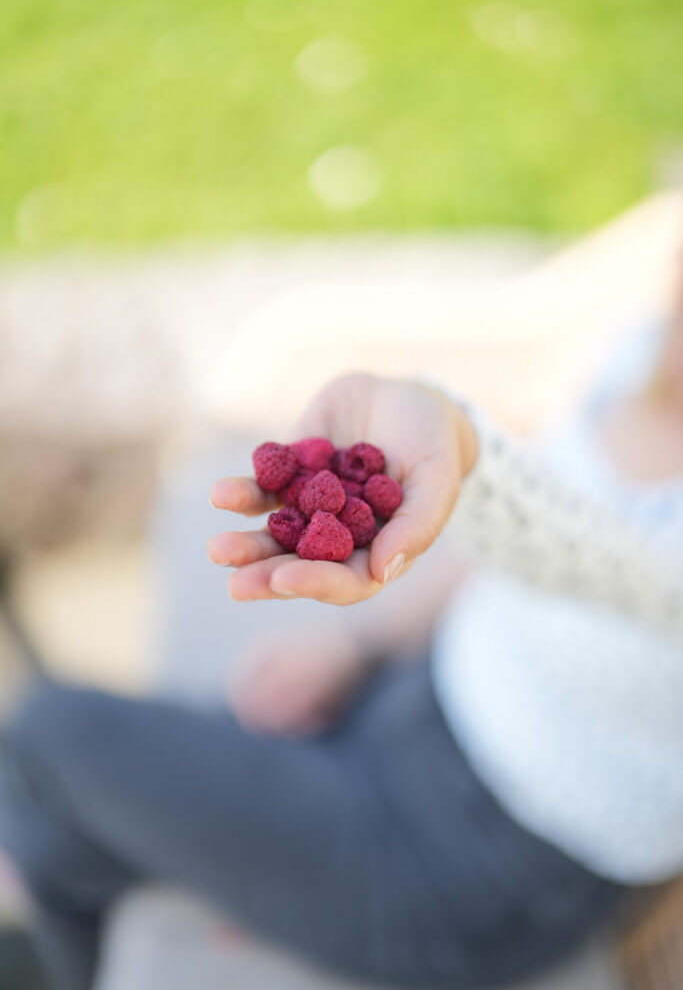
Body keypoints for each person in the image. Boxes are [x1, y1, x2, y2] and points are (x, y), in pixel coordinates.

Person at [1, 213, 682, 990]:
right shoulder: (637, 357)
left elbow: (597, 560)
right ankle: (74, 889)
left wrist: (456, 441)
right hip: (409, 703)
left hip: (472, 866)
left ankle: (57, 933)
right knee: (64, 799)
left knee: (47, 739)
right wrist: (360, 646)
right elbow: (533, 535)